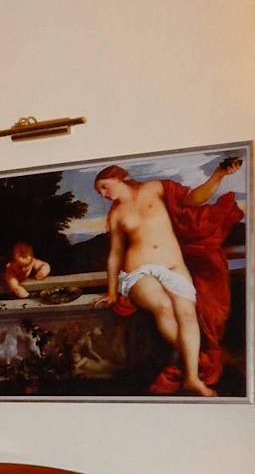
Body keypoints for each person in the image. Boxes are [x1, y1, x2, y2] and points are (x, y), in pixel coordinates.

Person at [95, 156, 243, 397]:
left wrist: (218, 175)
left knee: (187, 314)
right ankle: (199, 360)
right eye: (99, 191)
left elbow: (193, 199)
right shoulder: (116, 215)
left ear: (119, 177)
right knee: (164, 307)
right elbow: (115, 254)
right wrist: (112, 291)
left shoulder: (155, 188)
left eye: (104, 186)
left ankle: (192, 379)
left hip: (173, 266)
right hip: (138, 272)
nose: (103, 194)